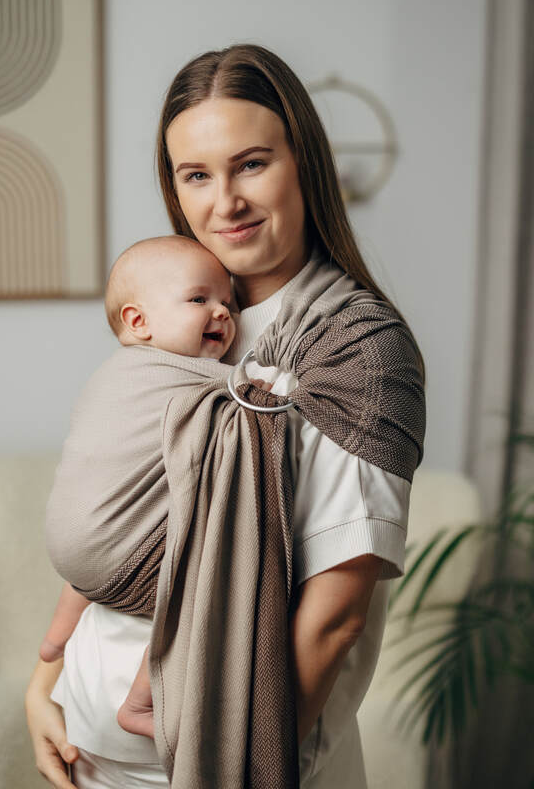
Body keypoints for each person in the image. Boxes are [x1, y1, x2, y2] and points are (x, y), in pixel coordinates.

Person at [25, 44, 425, 789]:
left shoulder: (356, 349)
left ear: (303, 161)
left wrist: (230, 771)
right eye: (196, 175)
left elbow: (335, 618)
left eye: (251, 164)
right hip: (96, 750)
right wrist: (44, 680)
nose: (224, 202)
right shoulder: (196, 323)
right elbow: (129, 502)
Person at [38, 234, 239, 740]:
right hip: (121, 557)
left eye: (228, 303)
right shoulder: (194, 377)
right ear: (138, 322)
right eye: (199, 300)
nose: (221, 313)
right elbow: (257, 395)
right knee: (207, 580)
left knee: (102, 544)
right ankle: (141, 702)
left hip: (69, 550)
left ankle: (55, 641)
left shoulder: (111, 376)